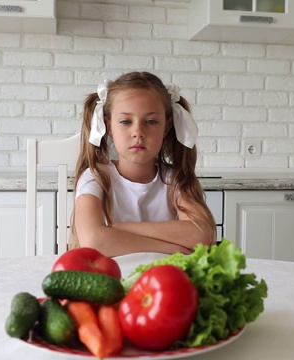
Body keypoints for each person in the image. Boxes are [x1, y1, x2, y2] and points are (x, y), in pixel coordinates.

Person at [70, 71, 216, 257]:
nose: (138, 132)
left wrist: (118, 229)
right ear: (109, 127)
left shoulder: (174, 179)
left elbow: (200, 234)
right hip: (112, 278)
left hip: (164, 279)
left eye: (151, 121)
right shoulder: (96, 178)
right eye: (125, 121)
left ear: (166, 127)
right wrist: (174, 249)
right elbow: (93, 241)